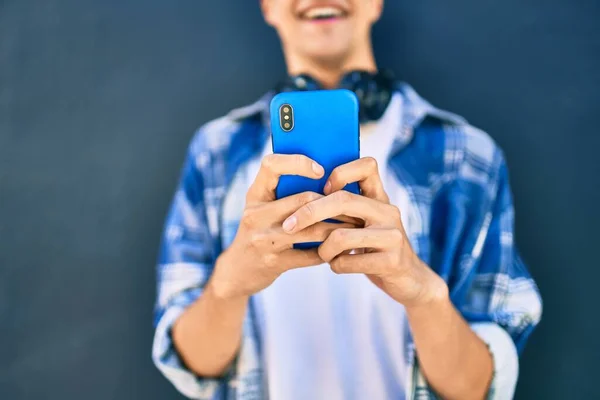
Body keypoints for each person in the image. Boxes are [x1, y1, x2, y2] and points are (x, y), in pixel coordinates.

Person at [152, 1, 542, 399]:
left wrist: (423, 293)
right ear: (268, 6)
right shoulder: (215, 152)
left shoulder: (469, 157)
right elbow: (193, 365)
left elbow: (474, 389)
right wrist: (228, 286)